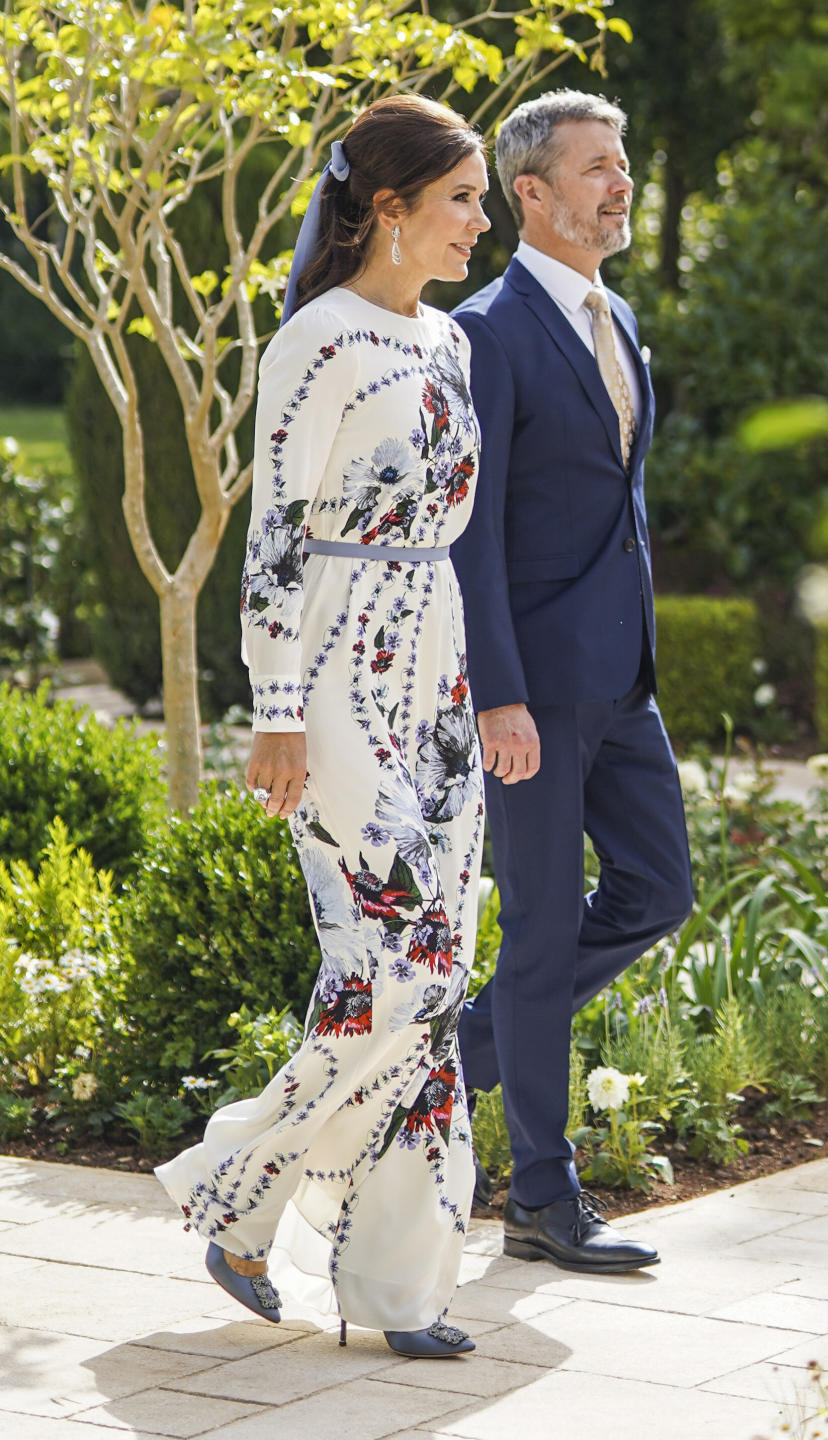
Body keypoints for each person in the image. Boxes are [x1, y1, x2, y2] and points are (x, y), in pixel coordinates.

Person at [156, 94, 492, 1359]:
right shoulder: (317, 339)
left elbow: (457, 531)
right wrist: (279, 711)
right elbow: (278, 538)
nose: (481, 222)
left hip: (438, 665)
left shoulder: (451, 344)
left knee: (421, 980)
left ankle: (399, 1288)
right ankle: (238, 1183)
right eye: (460, 199)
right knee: (406, 962)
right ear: (389, 209)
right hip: (340, 671)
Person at [451, 90, 694, 1272]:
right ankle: (542, 1200)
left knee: (659, 891)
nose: (623, 181)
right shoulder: (485, 333)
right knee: (542, 935)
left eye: (626, 161)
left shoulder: (623, 316)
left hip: (623, 679)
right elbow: (472, 532)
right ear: (530, 194)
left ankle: (451, 1054)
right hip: (533, 694)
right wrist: (494, 690)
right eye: (598, 166)